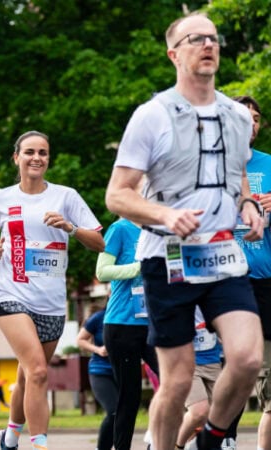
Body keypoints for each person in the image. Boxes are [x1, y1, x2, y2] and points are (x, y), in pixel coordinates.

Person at [104, 13, 264, 450]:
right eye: (196, 39)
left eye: (213, 38)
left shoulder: (235, 115)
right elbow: (117, 196)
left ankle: (211, 438)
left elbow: (238, 174)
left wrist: (248, 205)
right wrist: (163, 214)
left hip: (223, 256)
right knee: (176, 382)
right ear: (174, 53)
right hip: (167, 258)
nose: (208, 45)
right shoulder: (151, 116)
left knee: (248, 359)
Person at [0, 130, 104, 450]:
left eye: (43, 153)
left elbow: (100, 242)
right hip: (11, 294)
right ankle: (40, 445)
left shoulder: (66, 196)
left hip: (50, 302)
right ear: (16, 157)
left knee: (27, 376)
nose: (37, 158)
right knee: (38, 371)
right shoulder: (0, 197)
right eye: (30, 152)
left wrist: (71, 228)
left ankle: (8, 437)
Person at [96, 207, 160, 450]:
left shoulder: (158, 230)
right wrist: (137, 267)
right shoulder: (120, 229)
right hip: (122, 324)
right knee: (129, 397)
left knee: (177, 383)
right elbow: (102, 271)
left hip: (153, 324)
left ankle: (161, 442)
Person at [229, 95, 271, 450]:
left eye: (256, 118)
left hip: (267, 282)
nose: (251, 123)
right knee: (231, 373)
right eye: (244, 116)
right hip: (225, 281)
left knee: (267, 380)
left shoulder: (269, 164)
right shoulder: (209, 166)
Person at [174, 308, 223, 449]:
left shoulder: (213, 293)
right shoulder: (179, 292)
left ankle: (196, 444)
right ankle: (178, 446)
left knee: (217, 413)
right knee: (198, 412)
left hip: (212, 361)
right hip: (186, 362)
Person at [76, 304, 116, 450]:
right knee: (114, 411)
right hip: (100, 371)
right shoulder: (100, 317)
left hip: (123, 371)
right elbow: (80, 340)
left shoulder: (130, 315)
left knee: (124, 415)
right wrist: (98, 350)